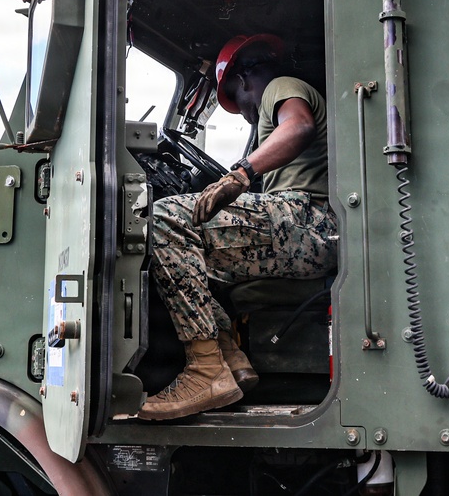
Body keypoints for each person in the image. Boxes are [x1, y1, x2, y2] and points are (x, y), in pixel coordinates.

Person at [138, 33, 337, 421]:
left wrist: (241, 174)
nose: (246, 114)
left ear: (245, 80)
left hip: (307, 221)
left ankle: (206, 370)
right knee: (185, 260)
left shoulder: (281, 87)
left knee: (165, 218)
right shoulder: (274, 96)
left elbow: (297, 127)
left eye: (238, 101)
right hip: (307, 229)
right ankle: (230, 358)